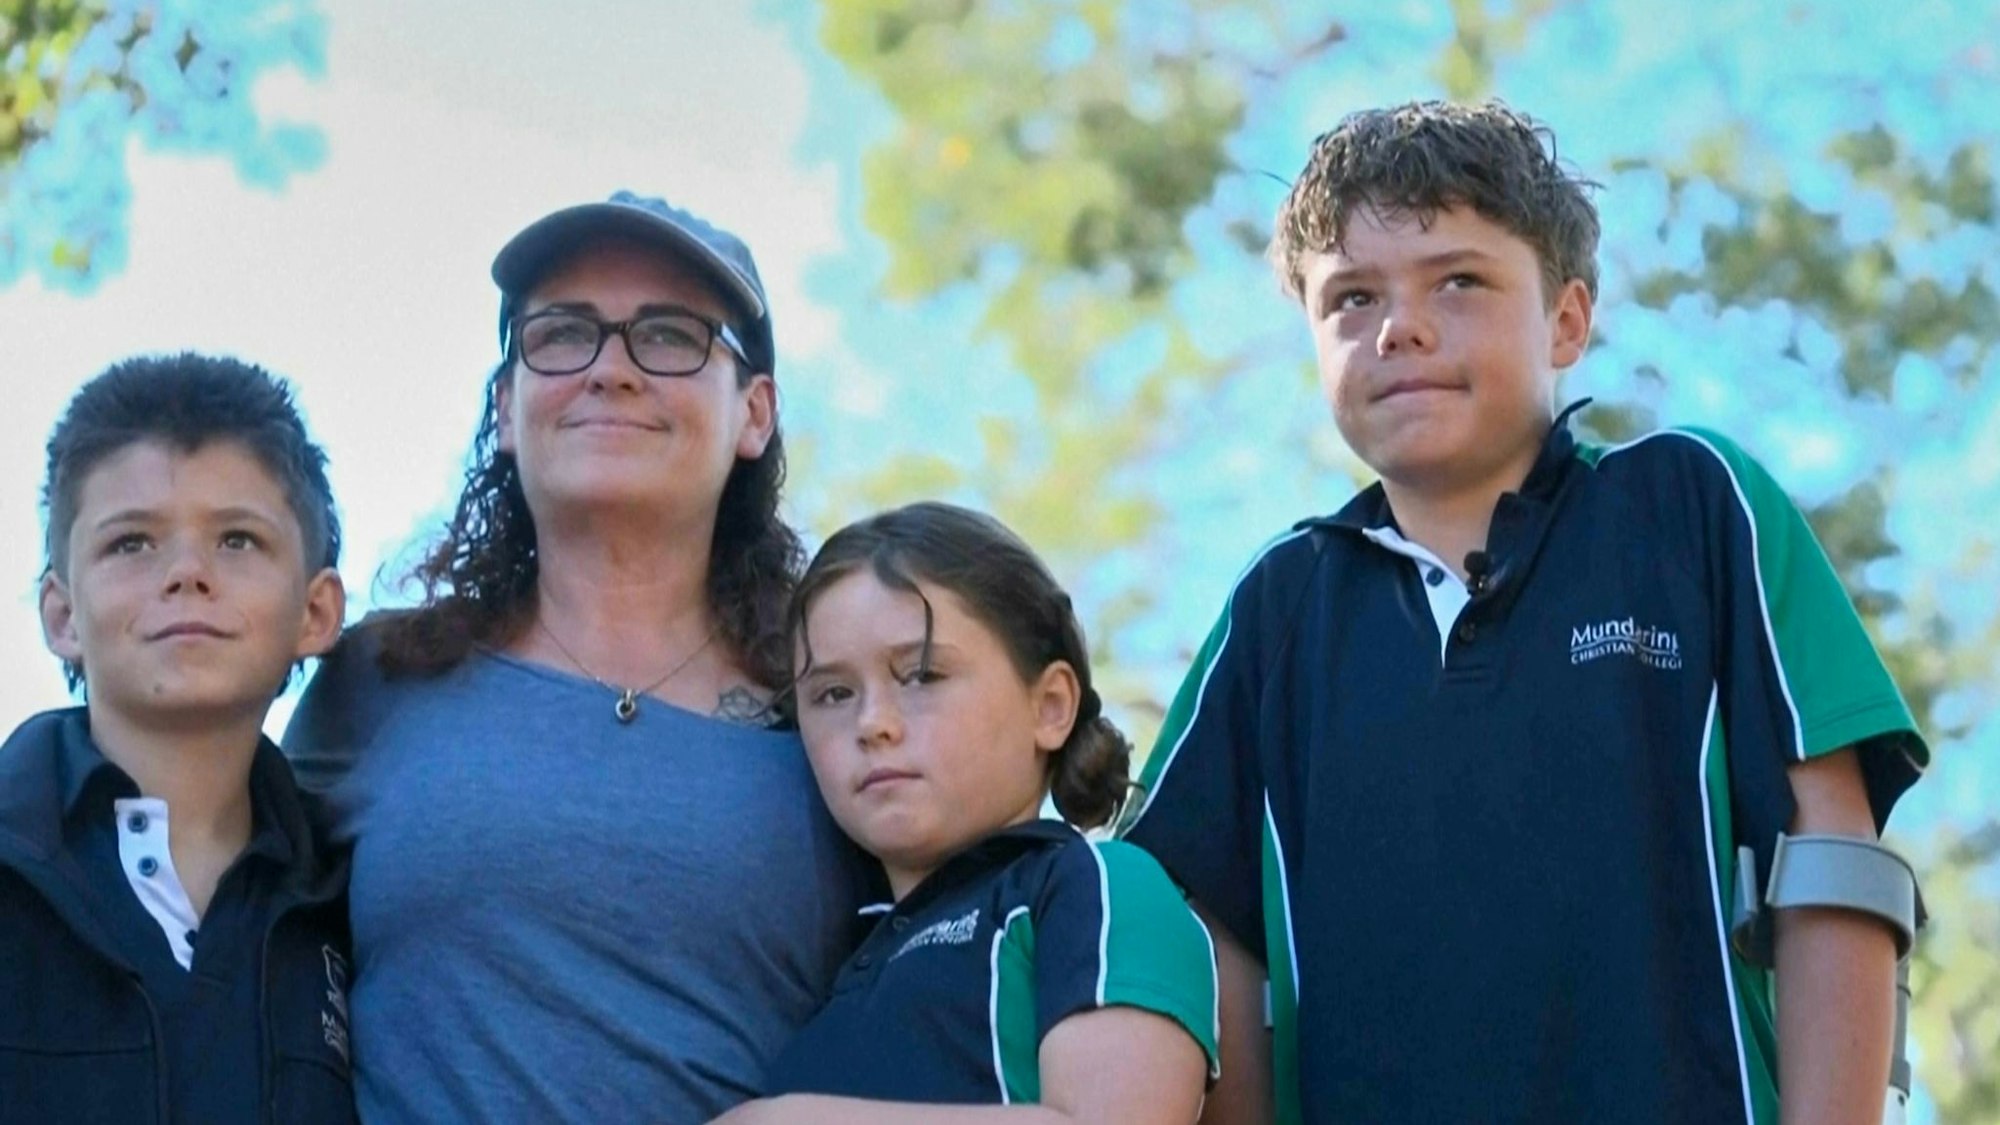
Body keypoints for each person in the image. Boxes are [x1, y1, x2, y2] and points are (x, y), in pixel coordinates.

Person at [1119, 100, 1928, 1125]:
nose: (1396, 327)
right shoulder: (1277, 609)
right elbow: (1197, 937)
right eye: (1349, 298)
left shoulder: (1689, 507)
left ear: (1566, 320)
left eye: (1456, 280)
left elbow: (1834, 864)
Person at [284, 192, 871, 1123]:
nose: (611, 370)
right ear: (508, 406)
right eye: (563, 333)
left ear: (754, 412)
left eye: (671, 335)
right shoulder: (376, 683)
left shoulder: (838, 711)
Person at [716, 502, 1218, 1124]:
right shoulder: (829, 966)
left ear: (1051, 706)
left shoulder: (1100, 886)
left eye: (922, 674)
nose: (872, 723)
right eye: (833, 694)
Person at [0, 353, 353, 1124]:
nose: (186, 572)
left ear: (316, 612)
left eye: (237, 540)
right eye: (132, 543)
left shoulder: (358, 905)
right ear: (61, 615)